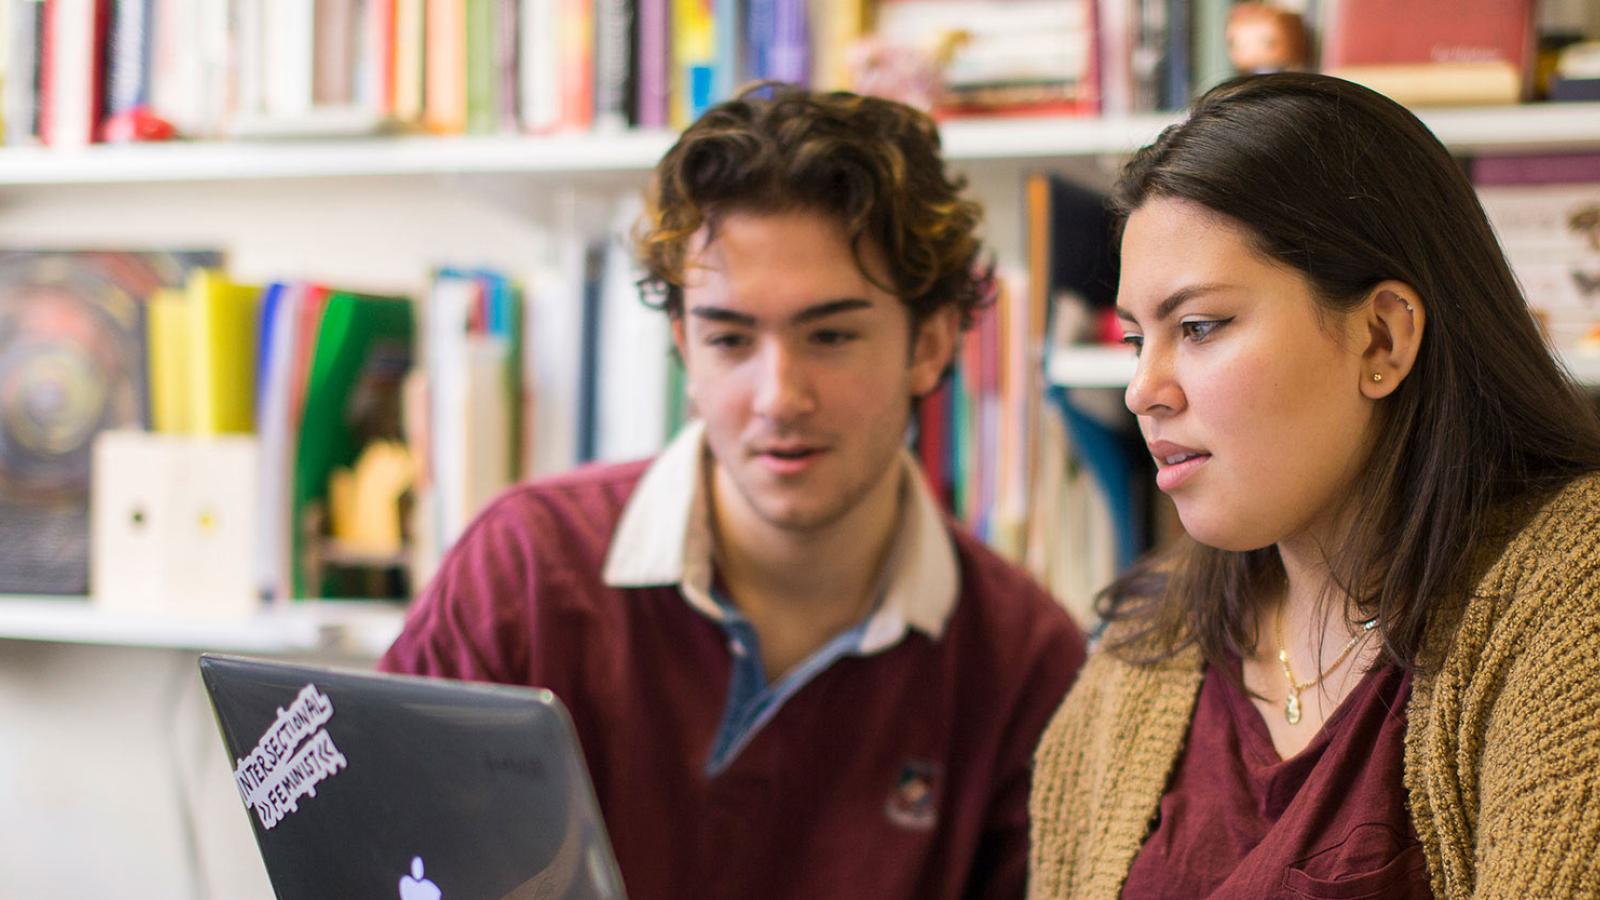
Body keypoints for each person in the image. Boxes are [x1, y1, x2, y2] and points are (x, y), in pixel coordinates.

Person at [382, 85, 1086, 900]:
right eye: (729, 338)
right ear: (683, 345)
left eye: (830, 335)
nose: (778, 395)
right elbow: (373, 859)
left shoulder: (1027, 664)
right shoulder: (524, 570)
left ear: (929, 345)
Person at [1029, 72, 1600, 899]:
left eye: (1198, 327)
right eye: (1132, 339)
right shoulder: (1138, 652)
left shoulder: (1569, 598)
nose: (1144, 389)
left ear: (1381, 339)